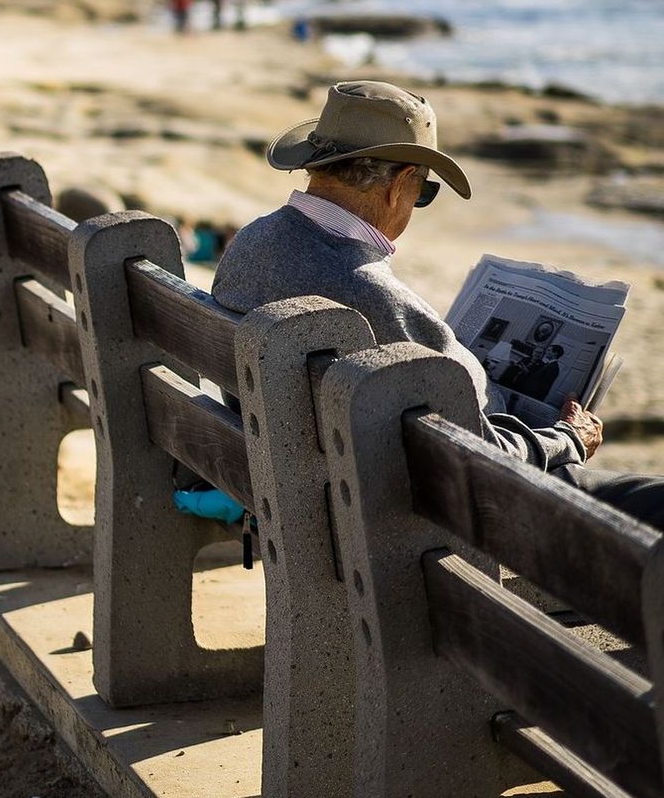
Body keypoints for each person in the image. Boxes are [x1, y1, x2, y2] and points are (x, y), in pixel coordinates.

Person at [212, 79, 664, 531]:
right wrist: (567, 439)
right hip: (415, 513)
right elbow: (485, 460)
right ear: (400, 185)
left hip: (309, 494)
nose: (415, 203)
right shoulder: (372, 297)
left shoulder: (250, 244)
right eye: (423, 192)